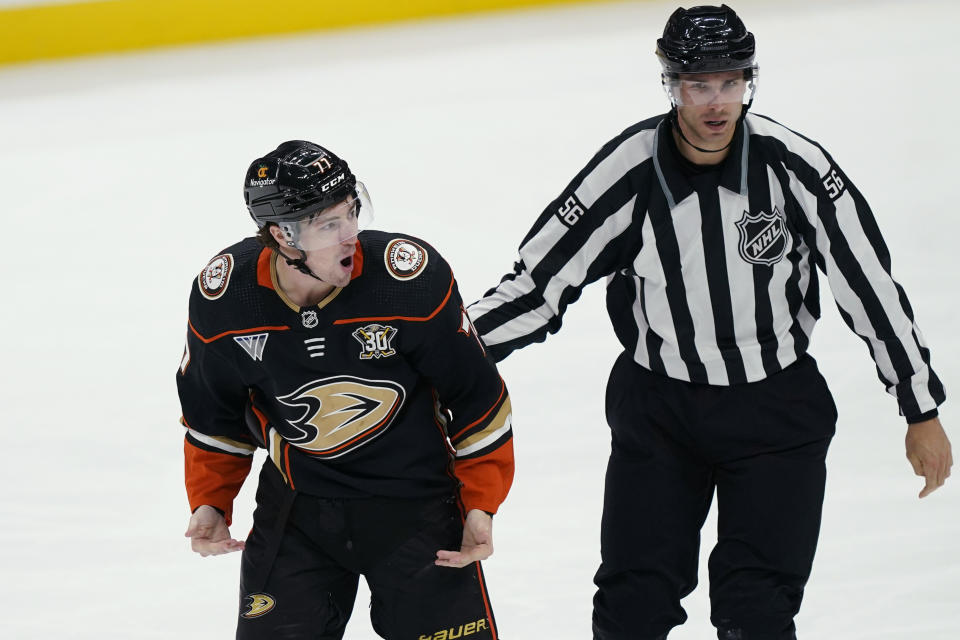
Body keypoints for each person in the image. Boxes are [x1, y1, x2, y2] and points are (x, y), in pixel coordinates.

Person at [467, 5, 951, 639]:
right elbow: (537, 287)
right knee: (631, 608)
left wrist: (920, 408)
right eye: (699, 85)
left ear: (749, 81)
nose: (716, 102)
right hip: (661, 414)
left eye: (731, 83)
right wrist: (441, 353)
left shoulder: (795, 167)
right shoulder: (629, 170)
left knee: (757, 613)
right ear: (670, 85)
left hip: (776, 412)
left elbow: (868, 286)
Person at [177, 140, 514, 640]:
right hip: (298, 510)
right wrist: (209, 502)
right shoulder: (228, 299)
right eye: (328, 225)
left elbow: (477, 400)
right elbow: (214, 412)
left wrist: (481, 503)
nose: (351, 235)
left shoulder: (408, 281)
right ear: (282, 236)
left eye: (352, 212)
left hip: (416, 505)